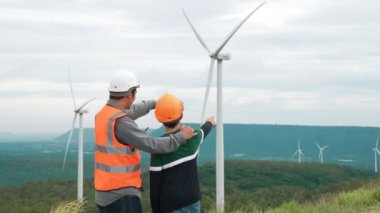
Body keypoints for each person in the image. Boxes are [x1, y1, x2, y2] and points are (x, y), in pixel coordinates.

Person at [94, 71, 197, 213]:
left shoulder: (104, 115)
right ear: (130, 94)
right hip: (122, 196)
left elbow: (133, 110)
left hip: (105, 193)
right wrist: (181, 136)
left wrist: (158, 104)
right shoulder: (121, 123)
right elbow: (153, 144)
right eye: (135, 93)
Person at [150, 93, 216, 213]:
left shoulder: (158, 147)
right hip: (192, 201)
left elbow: (155, 186)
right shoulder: (193, 137)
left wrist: (156, 209)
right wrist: (210, 122)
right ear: (181, 114)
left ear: (159, 118)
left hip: (169, 204)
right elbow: (204, 130)